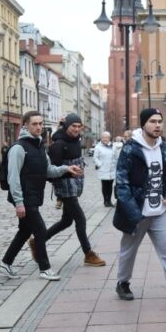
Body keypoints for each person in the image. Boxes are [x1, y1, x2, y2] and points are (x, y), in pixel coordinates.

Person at [113, 108, 166, 309]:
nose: (157, 125)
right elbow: (122, 184)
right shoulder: (130, 149)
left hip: (160, 211)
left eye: (160, 121)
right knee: (128, 251)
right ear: (143, 124)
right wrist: (133, 212)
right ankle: (122, 283)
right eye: (153, 121)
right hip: (137, 212)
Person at [0, 111, 82, 281]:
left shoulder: (39, 146)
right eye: (34, 124)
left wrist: (66, 169)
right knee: (41, 231)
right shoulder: (18, 148)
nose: (38, 127)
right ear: (25, 126)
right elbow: (13, 178)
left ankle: (6, 263)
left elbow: (48, 170)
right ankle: (45, 268)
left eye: (40, 124)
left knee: (24, 231)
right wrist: (19, 203)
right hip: (25, 197)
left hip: (34, 195)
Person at [41, 113, 105, 268]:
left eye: (79, 126)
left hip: (75, 184)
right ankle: (88, 253)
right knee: (80, 219)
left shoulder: (76, 140)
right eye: (73, 126)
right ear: (66, 126)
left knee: (66, 221)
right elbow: (50, 170)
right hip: (65, 187)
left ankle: (38, 241)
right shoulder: (58, 144)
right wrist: (67, 174)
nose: (76, 129)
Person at [93, 131, 117, 207]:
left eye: (106, 137)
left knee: (110, 186)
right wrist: (100, 164)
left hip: (111, 169)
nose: (105, 139)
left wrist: (115, 165)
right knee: (104, 185)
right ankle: (105, 201)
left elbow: (116, 157)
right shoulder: (98, 147)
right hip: (103, 169)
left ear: (109, 138)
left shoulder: (113, 146)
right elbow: (95, 158)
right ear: (101, 138)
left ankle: (109, 201)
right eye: (103, 137)